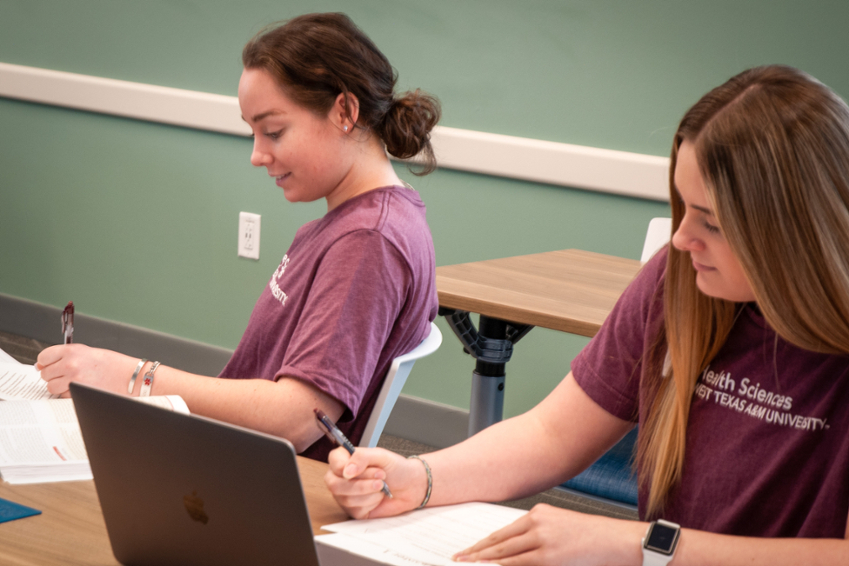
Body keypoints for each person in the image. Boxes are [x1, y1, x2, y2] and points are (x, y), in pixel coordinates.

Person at [325, 65, 849, 564]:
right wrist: (419, 477)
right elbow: (553, 435)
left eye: (711, 222)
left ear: (795, 234)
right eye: (682, 208)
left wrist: (643, 547)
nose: (683, 238)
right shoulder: (679, 283)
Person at [36, 12, 440, 462]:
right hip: (228, 455)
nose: (257, 155)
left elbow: (297, 417)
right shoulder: (358, 222)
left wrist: (133, 376)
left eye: (273, 131)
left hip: (249, 479)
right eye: (253, 132)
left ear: (344, 111)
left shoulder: (368, 241)